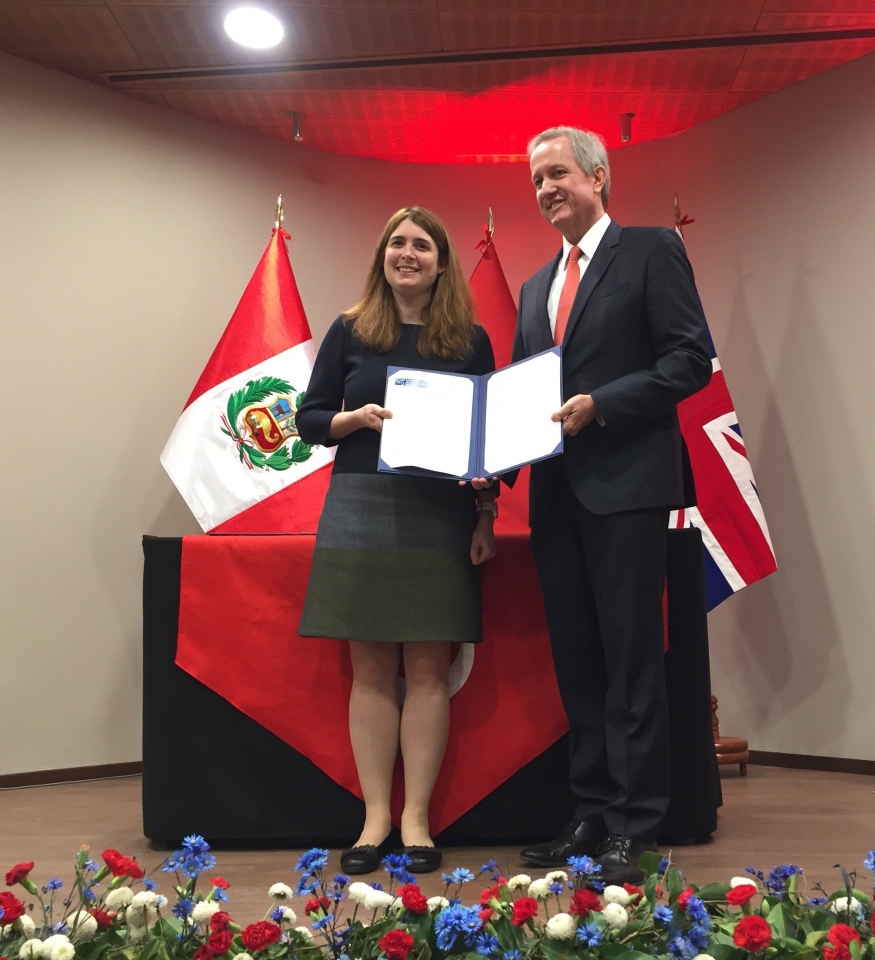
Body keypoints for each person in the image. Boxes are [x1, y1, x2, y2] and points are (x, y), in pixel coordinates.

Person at [511, 127, 712, 884]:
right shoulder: (536, 287)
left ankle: (634, 823)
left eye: (557, 172)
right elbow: (524, 395)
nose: (545, 189)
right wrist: (487, 467)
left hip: (628, 488)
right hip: (556, 496)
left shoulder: (652, 249)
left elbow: (689, 358)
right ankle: (592, 813)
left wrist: (605, 404)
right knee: (580, 666)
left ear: (598, 176)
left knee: (631, 664)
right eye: (536, 180)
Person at [296, 207, 498, 876]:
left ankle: (416, 820)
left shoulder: (470, 341)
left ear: (442, 263)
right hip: (361, 503)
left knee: (431, 671)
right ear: (382, 256)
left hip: (440, 513)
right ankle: (374, 817)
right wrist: (352, 419)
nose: (407, 254)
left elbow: (488, 441)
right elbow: (308, 419)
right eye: (396, 244)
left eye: (421, 245)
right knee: (373, 670)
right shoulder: (350, 331)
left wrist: (484, 514)